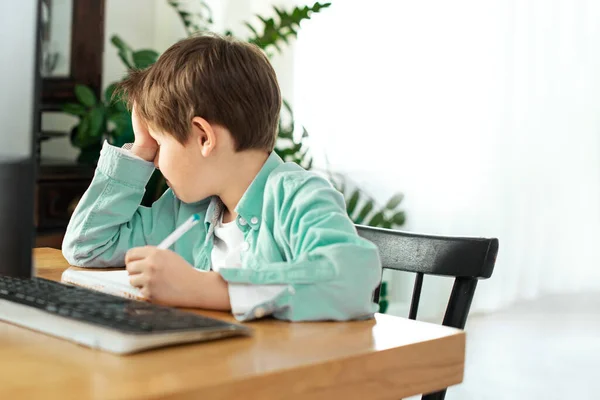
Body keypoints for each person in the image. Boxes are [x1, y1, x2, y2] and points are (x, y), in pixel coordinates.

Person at [62, 34, 382, 321]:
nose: (155, 162)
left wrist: (206, 289)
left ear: (203, 137)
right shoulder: (184, 209)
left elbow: (351, 277)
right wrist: (141, 149)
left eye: (159, 144)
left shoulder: (297, 196)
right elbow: (87, 246)